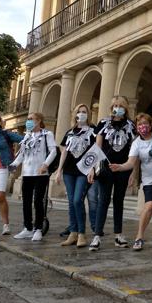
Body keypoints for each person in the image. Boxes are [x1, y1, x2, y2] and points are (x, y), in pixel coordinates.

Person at [111, 113, 152, 251]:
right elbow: (131, 162)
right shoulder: (137, 143)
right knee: (149, 206)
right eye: (140, 124)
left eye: (145, 123)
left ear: (150, 124)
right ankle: (139, 237)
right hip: (149, 180)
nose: (143, 126)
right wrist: (120, 167)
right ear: (137, 127)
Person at [88, 96, 136, 251]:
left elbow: (135, 151)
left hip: (123, 168)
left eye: (121, 105)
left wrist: (133, 173)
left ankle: (118, 234)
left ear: (126, 108)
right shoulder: (103, 123)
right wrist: (92, 169)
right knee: (103, 200)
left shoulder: (131, 125)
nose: (117, 107)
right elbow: (97, 148)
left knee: (119, 200)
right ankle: (97, 235)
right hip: (106, 168)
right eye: (115, 105)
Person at [10, 113, 57, 242]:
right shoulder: (27, 136)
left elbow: (53, 151)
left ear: (39, 120)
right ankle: (27, 227)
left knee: (38, 201)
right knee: (26, 201)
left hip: (40, 173)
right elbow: (22, 153)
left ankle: (38, 229)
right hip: (27, 173)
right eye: (28, 119)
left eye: (31, 119)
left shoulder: (47, 134)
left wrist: (45, 165)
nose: (28, 121)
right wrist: (14, 164)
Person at [56, 104, 96, 248]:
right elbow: (64, 152)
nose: (81, 114)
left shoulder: (93, 131)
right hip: (68, 170)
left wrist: (92, 169)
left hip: (84, 171)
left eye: (84, 112)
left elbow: (95, 151)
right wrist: (59, 171)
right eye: (79, 112)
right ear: (75, 114)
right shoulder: (70, 132)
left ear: (88, 114)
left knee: (78, 200)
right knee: (71, 201)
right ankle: (73, 232)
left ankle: (81, 234)